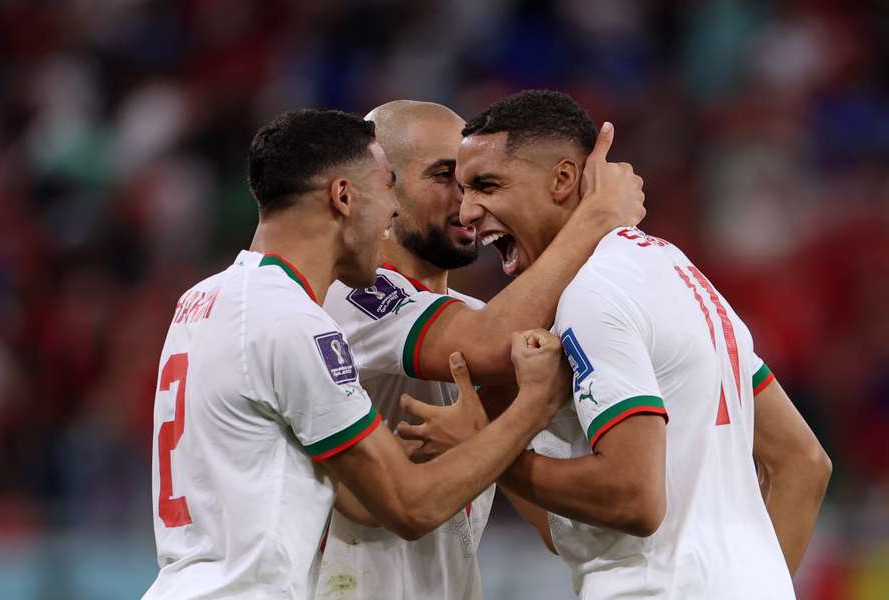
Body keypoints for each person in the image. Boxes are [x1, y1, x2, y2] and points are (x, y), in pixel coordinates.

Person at [409, 90, 832, 599]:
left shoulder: (592, 293)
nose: (468, 211)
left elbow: (634, 497)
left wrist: (484, 452)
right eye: (461, 188)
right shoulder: (681, 273)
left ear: (562, 179)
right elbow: (804, 463)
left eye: (488, 185)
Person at [142, 108, 570, 600]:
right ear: (343, 196)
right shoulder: (307, 318)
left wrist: (486, 442)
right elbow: (406, 504)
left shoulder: (205, 299)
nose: (389, 213)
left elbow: (358, 496)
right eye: (388, 184)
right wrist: (596, 219)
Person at [317, 100, 644, 599]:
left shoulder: (476, 318)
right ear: (382, 186)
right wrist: (596, 217)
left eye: (475, 180)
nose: (467, 201)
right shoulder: (349, 297)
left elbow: (554, 527)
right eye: (445, 176)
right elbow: (486, 345)